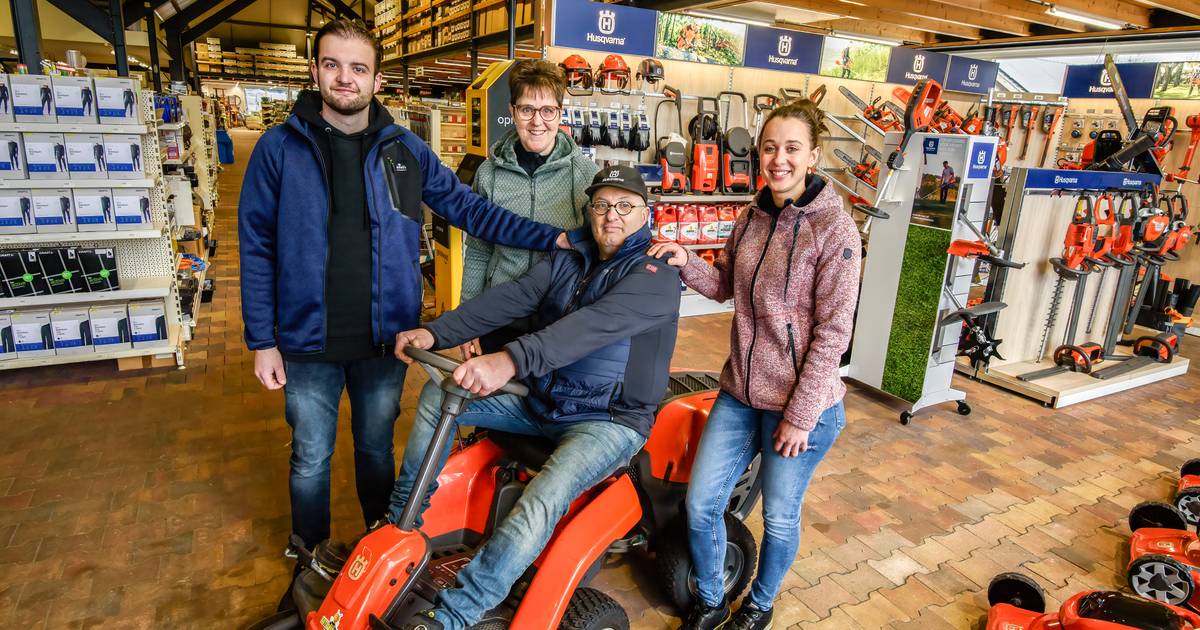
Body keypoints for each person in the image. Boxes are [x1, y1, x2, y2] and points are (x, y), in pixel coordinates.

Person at [238, 18, 569, 558]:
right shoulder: (278, 149)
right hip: (304, 339)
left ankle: (377, 547)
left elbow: (470, 211)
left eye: (358, 68)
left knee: (375, 449)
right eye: (332, 65)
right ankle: (308, 553)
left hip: (384, 337)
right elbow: (256, 245)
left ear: (376, 79)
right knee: (309, 455)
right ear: (316, 69)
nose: (345, 78)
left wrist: (552, 236)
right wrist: (262, 339)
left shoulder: (404, 150)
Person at [388, 165, 681, 630]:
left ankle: (456, 614)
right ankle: (401, 525)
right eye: (603, 204)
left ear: (645, 214)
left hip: (608, 420)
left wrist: (507, 360)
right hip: (545, 400)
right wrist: (434, 331)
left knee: (543, 498)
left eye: (625, 206)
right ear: (590, 210)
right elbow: (509, 299)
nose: (611, 216)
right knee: (440, 393)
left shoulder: (657, 275)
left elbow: (586, 329)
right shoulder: (571, 257)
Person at [650, 100, 860, 630]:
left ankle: (760, 607)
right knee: (701, 505)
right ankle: (712, 597)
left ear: (813, 155)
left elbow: (834, 333)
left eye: (792, 148)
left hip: (799, 407)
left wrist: (800, 415)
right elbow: (724, 283)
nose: (778, 159)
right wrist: (685, 261)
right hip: (740, 392)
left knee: (781, 518)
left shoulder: (835, 231)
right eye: (770, 147)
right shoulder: (752, 215)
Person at [459, 59, 597, 357]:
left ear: (560, 113)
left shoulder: (586, 175)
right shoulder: (489, 174)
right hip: (499, 315)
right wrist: (468, 320)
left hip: (558, 319)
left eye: (548, 110)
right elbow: (479, 250)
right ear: (512, 112)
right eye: (527, 110)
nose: (537, 122)